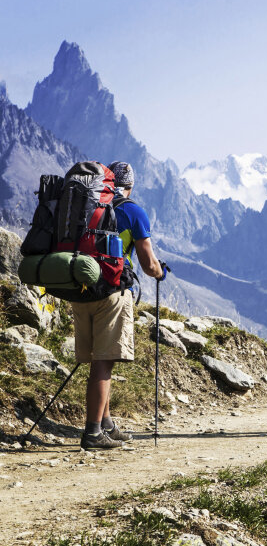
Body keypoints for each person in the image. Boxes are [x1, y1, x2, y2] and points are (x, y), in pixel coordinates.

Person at [75, 161, 167, 450]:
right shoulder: (133, 211)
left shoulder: (88, 204)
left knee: (99, 359)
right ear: (131, 184)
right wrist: (160, 272)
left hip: (80, 288)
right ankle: (92, 432)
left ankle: (106, 424)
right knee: (104, 361)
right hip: (111, 292)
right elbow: (148, 263)